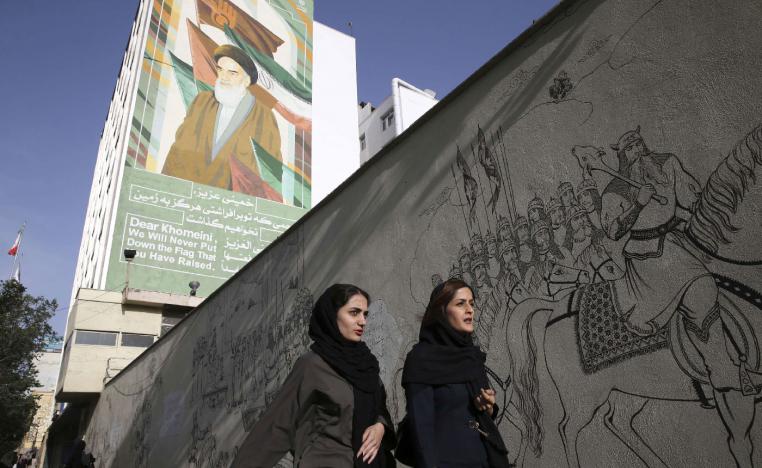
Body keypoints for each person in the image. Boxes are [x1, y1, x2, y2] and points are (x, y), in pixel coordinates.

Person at [232, 284, 395, 467]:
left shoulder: (366, 365)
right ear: (332, 315)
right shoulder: (312, 365)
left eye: (365, 314)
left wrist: (380, 427)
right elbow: (278, 424)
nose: (362, 321)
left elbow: (380, 408)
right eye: (354, 313)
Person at [399, 279, 510, 467]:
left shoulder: (471, 356)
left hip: (485, 460)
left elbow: (483, 415)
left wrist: (487, 406)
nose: (470, 310)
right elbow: (421, 429)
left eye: (472, 303)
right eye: (461, 304)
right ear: (441, 312)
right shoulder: (421, 359)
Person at [162, 44, 283, 200]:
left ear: (246, 81)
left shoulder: (264, 116)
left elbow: (270, 172)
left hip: (233, 202)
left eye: (232, 73)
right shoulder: (202, 102)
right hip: (189, 194)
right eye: (220, 70)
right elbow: (179, 149)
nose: (224, 77)